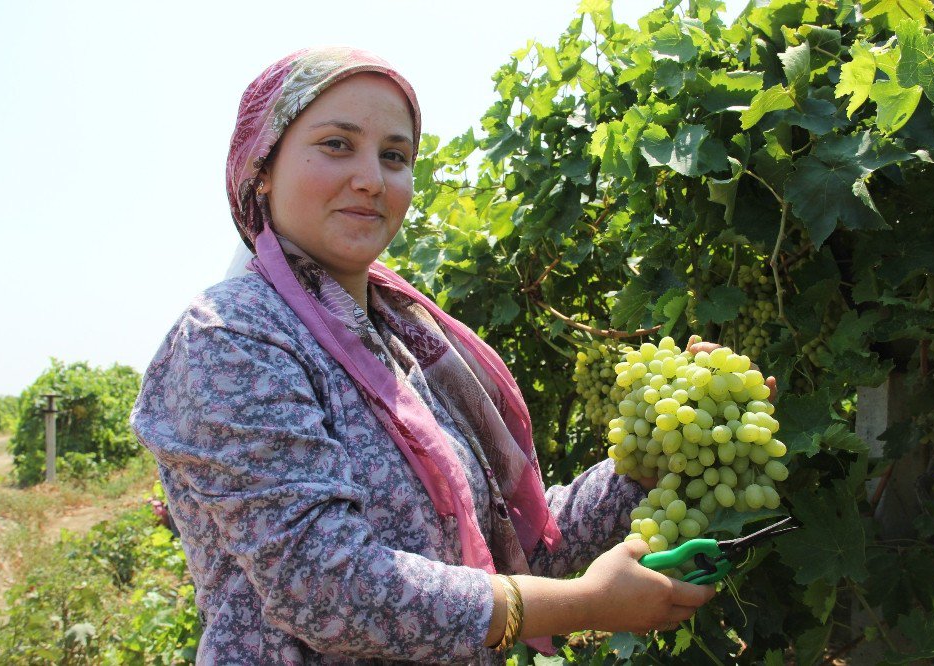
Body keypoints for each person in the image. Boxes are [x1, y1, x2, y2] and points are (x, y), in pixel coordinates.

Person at [131, 46, 716, 665]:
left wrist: (643, 467)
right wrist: (585, 605)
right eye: (336, 144)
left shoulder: (402, 344)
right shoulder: (231, 337)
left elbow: (509, 547)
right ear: (263, 166)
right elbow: (327, 588)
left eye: (394, 156)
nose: (371, 179)